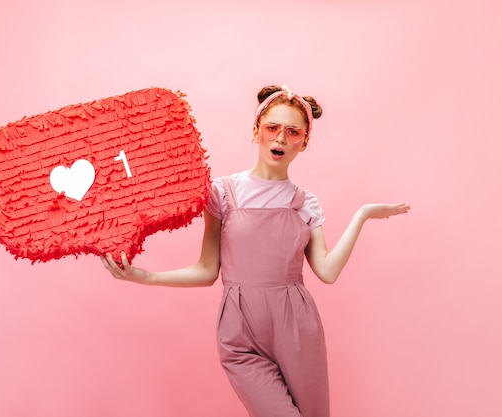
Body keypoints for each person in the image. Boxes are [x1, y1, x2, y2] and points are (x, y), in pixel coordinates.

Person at [101, 85, 410, 417]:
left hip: (297, 326)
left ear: (303, 142)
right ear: (256, 131)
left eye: (293, 132)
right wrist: (143, 276)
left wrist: (361, 216)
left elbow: (328, 271)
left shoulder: (304, 202)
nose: (280, 138)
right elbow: (207, 270)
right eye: (272, 128)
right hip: (240, 330)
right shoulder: (223, 192)